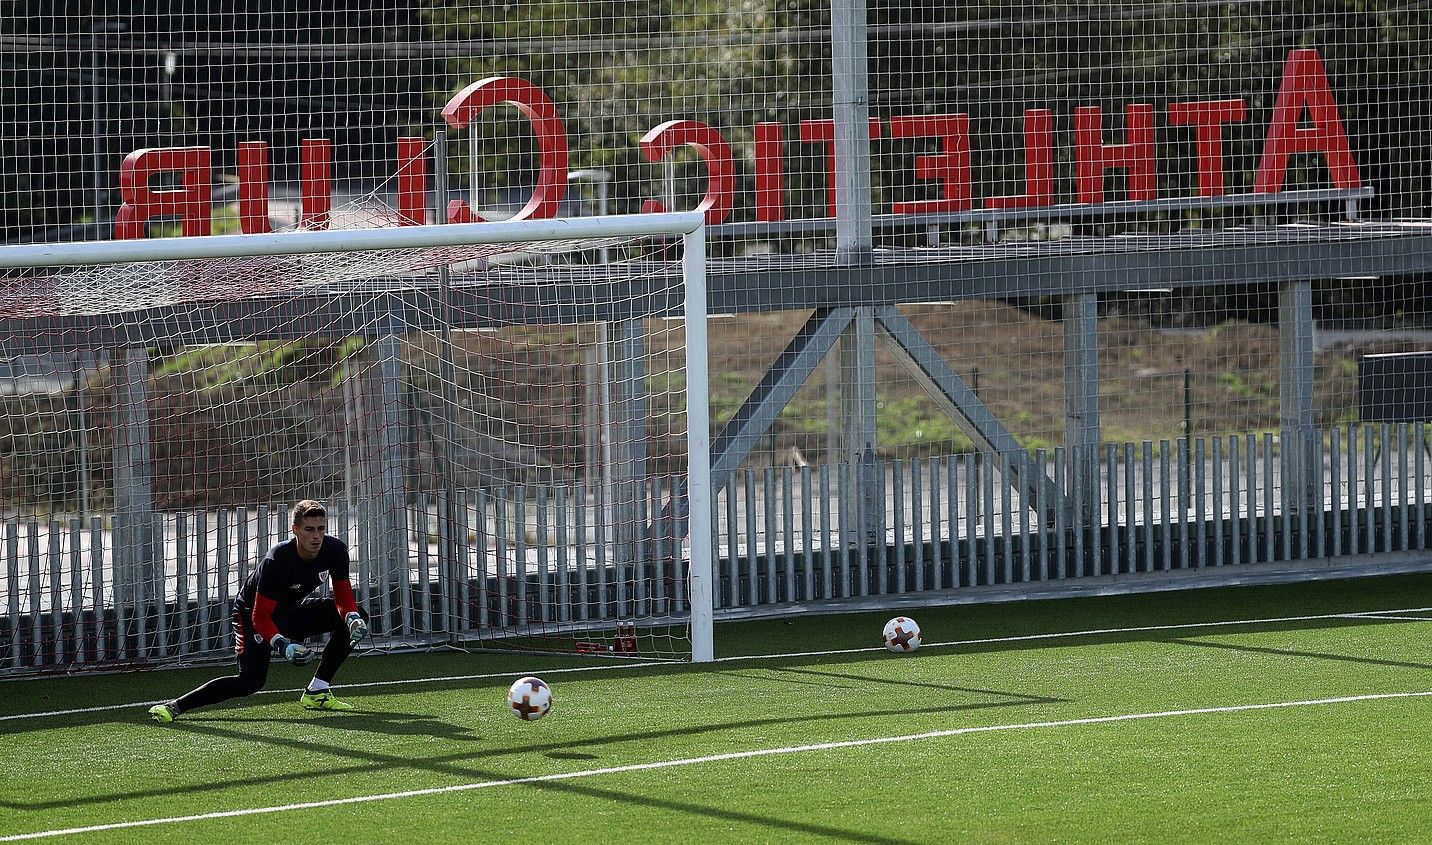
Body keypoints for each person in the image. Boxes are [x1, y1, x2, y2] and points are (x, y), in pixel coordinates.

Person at [149, 499, 370, 722]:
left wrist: (351, 617)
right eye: (309, 529)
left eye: (321, 529)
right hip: (251, 616)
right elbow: (260, 616)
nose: (316, 536)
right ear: (295, 530)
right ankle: (174, 706)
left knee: (359, 615)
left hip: (291, 611)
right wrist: (283, 645)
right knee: (250, 682)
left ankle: (317, 691)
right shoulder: (277, 560)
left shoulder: (335, 550)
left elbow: (343, 596)